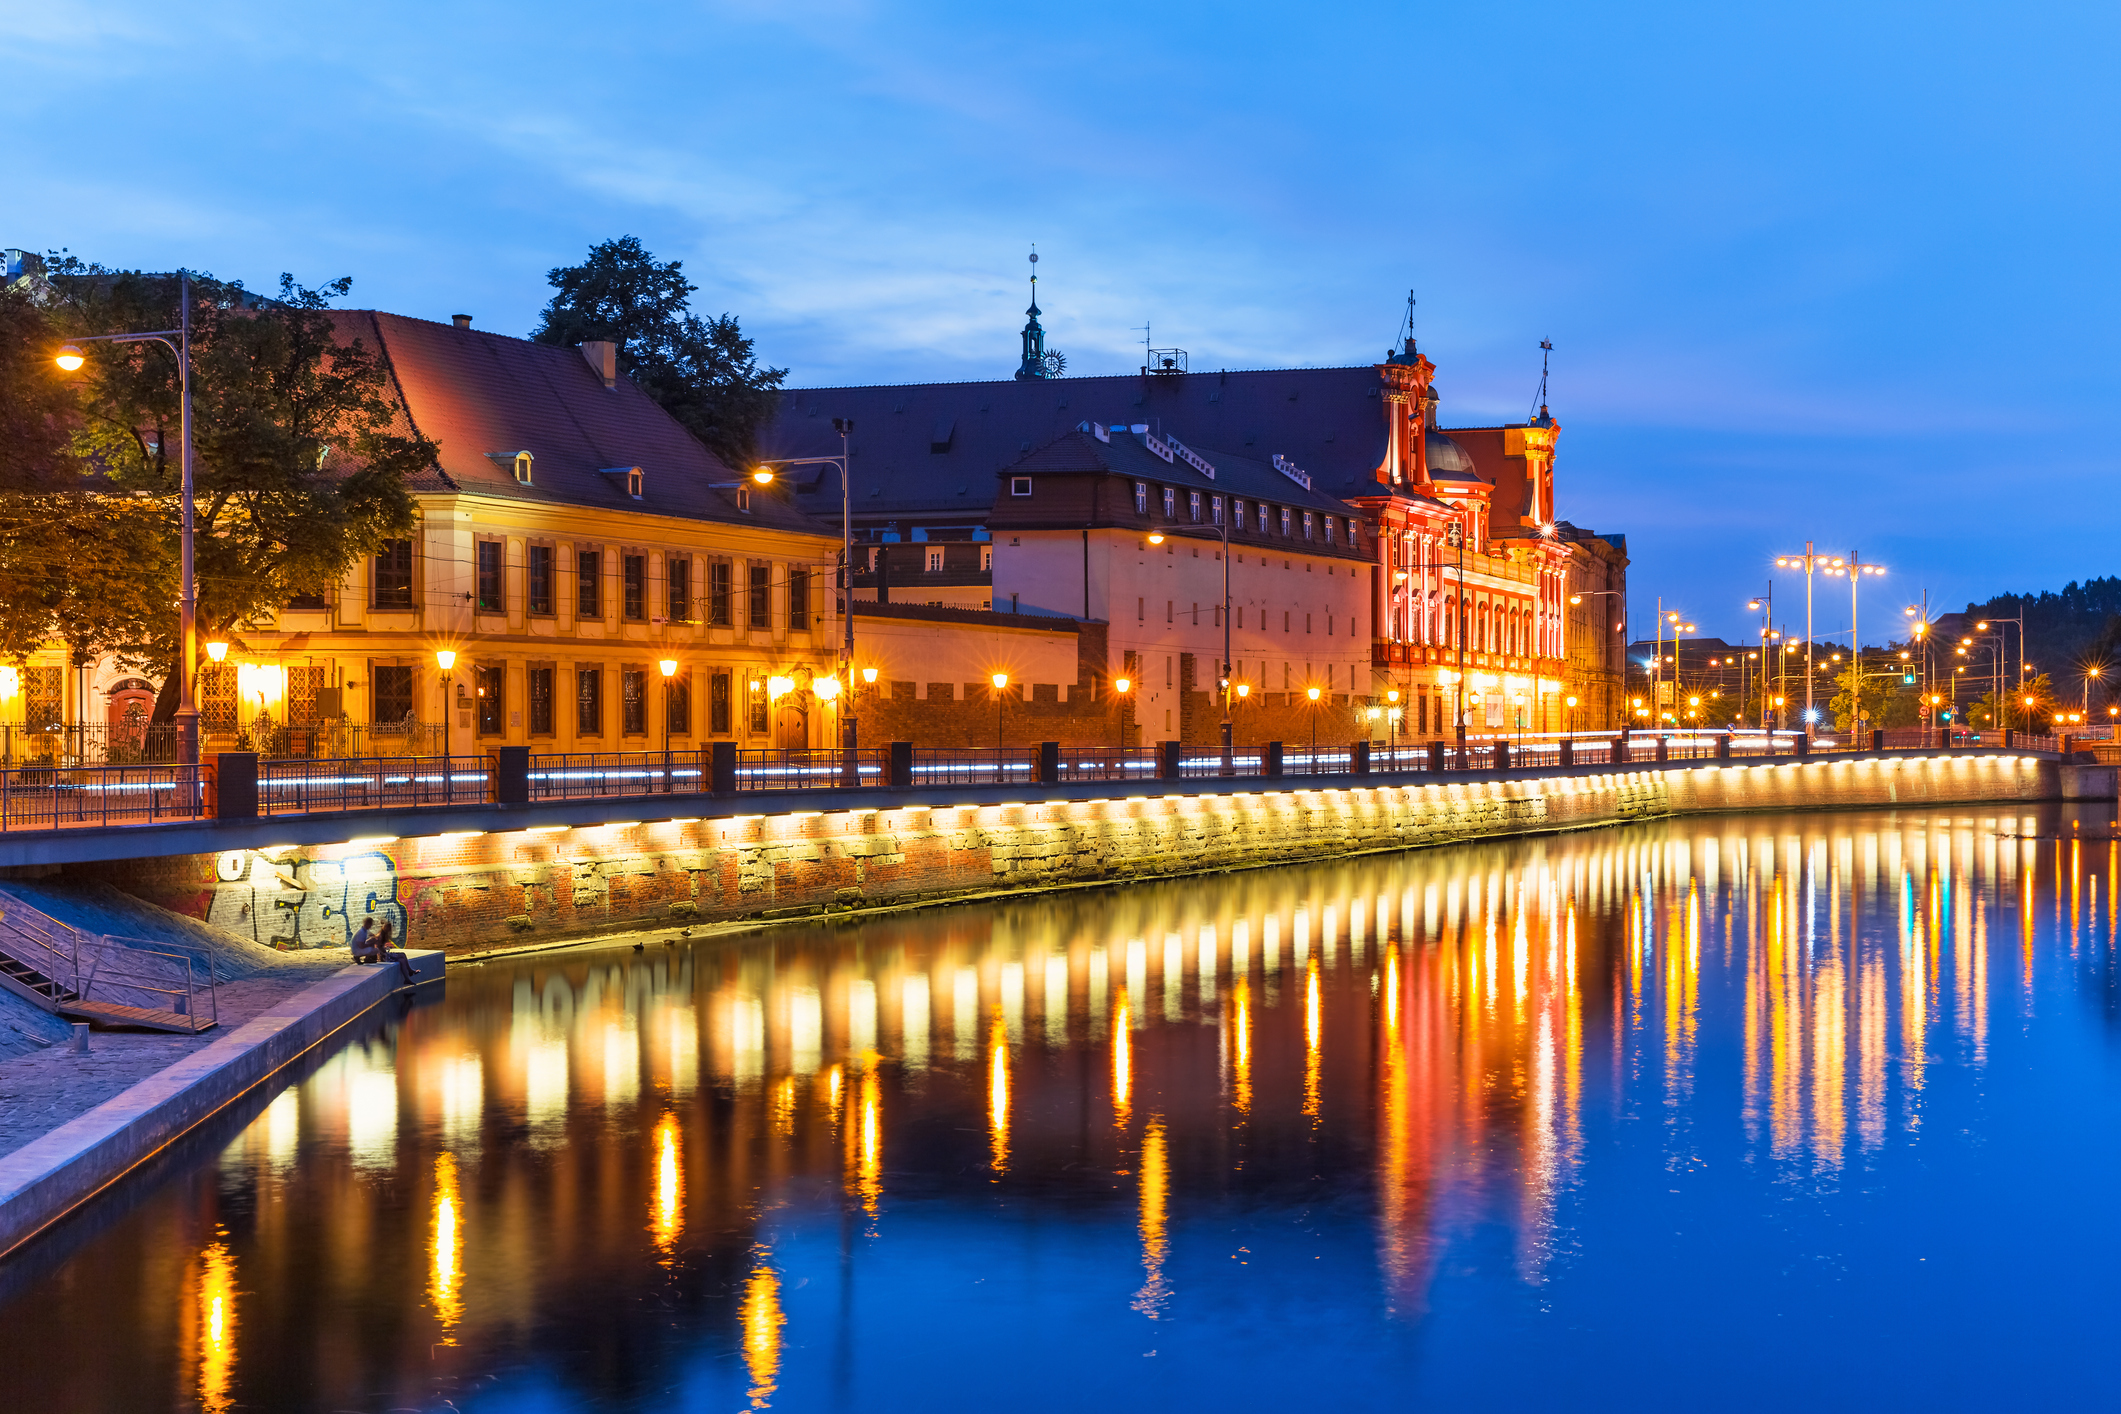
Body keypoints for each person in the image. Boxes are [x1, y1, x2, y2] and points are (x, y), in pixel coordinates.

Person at [374, 919, 417, 984]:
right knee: (402, 954)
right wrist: (384, 951)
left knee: (402, 960)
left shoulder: (383, 935)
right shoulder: (381, 935)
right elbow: (378, 947)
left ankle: (407, 979)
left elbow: (381, 946)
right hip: (384, 956)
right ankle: (410, 971)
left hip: (385, 954)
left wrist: (386, 948)